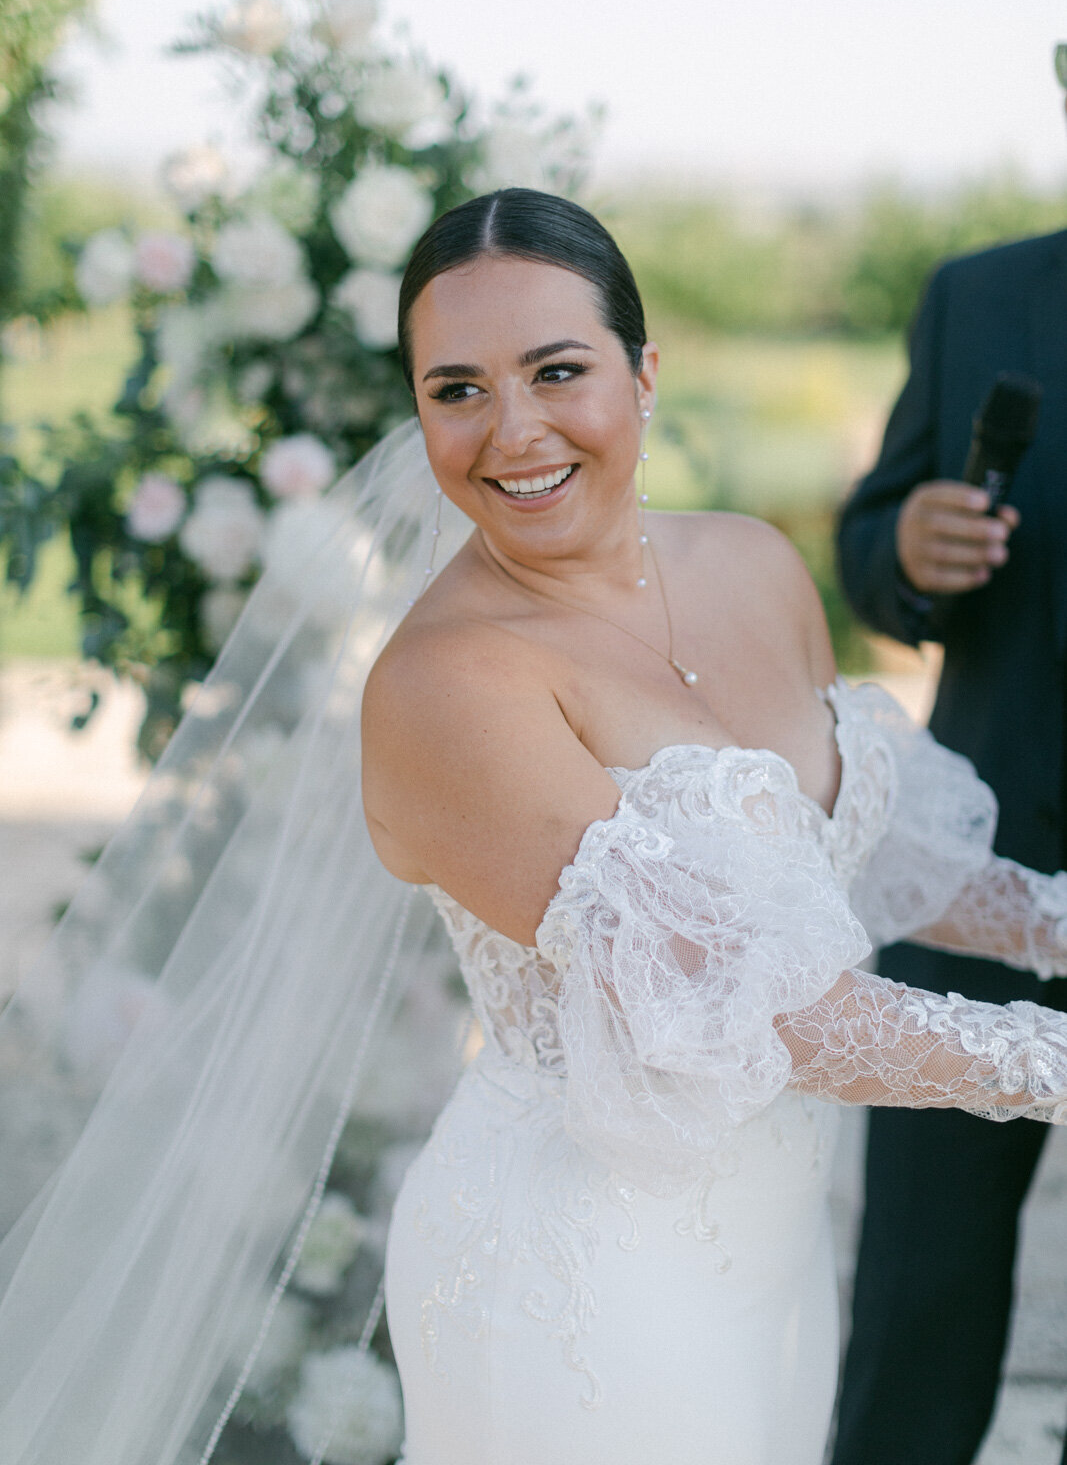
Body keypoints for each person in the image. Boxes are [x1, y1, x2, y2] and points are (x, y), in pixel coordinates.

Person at [3, 189, 1067, 1465]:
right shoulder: (445, 688)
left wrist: (1054, 923)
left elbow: (853, 841)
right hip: (583, 1279)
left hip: (769, 1257)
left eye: (557, 370)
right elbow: (746, 999)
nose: (512, 431)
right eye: (456, 389)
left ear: (643, 372)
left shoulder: (749, 565)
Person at [831, 217, 1067, 1465]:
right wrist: (904, 552)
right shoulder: (970, 297)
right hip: (971, 873)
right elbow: (867, 543)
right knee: (916, 1301)